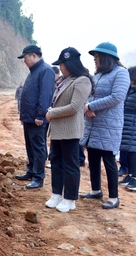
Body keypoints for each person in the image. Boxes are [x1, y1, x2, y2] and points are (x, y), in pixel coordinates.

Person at [79, 42, 130, 209]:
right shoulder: (98, 75)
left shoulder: (121, 73)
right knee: (92, 157)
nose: (95, 59)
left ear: (107, 57)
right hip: (93, 124)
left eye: (97, 56)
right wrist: (86, 106)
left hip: (109, 125)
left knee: (108, 160)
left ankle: (114, 197)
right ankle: (96, 190)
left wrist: (91, 106)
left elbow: (117, 97)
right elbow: (88, 94)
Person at [44, 47, 92, 212]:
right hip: (57, 129)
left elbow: (74, 106)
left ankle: (70, 198)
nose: (61, 68)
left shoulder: (82, 81)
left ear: (70, 64)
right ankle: (56, 193)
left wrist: (52, 113)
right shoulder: (64, 80)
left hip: (70, 130)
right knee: (56, 162)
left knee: (70, 165)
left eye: (62, 65)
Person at [15, 44, 55, 189]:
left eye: (25, 57)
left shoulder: (45, 71)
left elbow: (45, 96)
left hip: (37, 119)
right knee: (30, 146)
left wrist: (40, 115)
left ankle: (38, 177)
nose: (24, 61)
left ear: (33, 55)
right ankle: (31, 170)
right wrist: (23, 116)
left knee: (38, 147)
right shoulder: (33, 71)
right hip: (28, 118)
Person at [118, 65, 136, 191]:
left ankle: (135, 178)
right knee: (127, 150)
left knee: (133, 151)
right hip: (128, 123)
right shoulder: (132, 89)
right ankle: (129, 175)